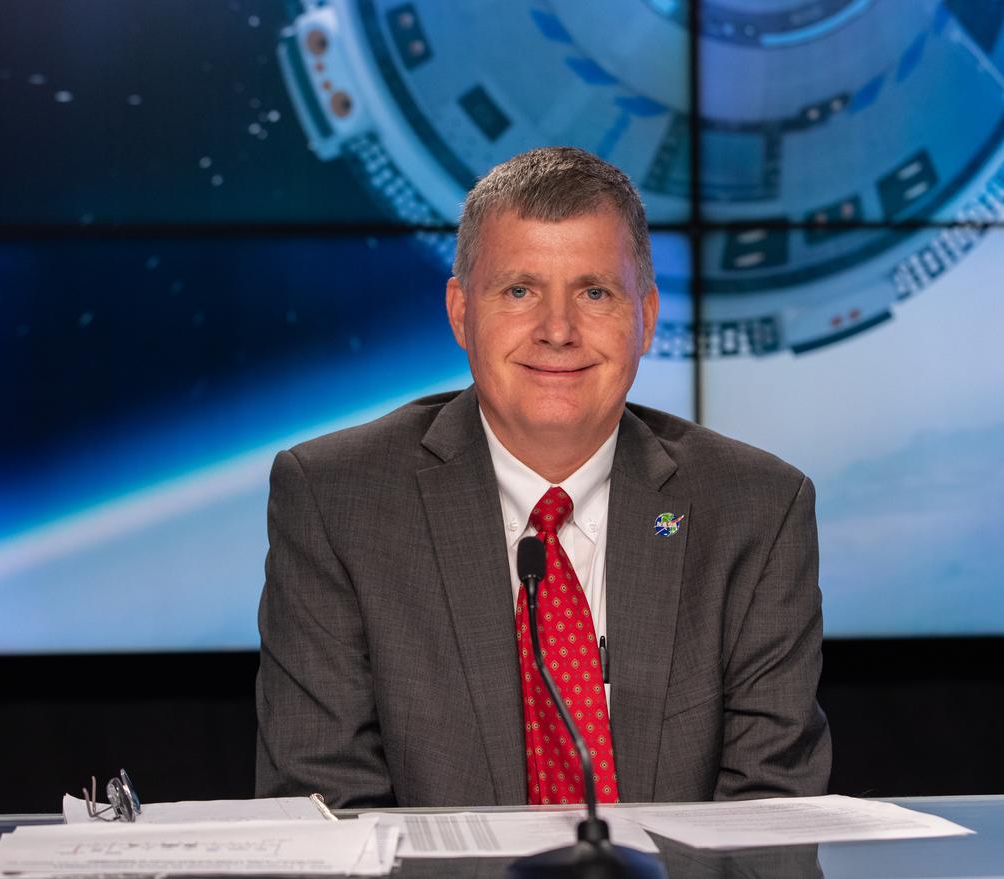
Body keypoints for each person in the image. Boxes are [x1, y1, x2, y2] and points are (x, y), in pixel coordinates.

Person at [255, 147, 830, 808]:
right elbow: (327, 806)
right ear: (461, 312)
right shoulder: (337, 500)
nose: (558, 330)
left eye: (594, 292)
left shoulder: (755, 508)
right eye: (520, 291)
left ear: (645, 318)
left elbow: (772, 810)